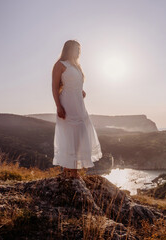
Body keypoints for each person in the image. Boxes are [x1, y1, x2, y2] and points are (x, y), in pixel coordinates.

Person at [51, 39, 103, 179]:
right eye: (77, 49)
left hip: (78, 104)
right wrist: (58, 106)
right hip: (67, 103)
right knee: (69, 135)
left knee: (80, 134)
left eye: (80, 49)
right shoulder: (60, 65)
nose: (79, 52)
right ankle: (70, 172)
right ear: (69, 49)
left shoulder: (76, 66)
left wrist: (81, 91)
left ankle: (71, 170)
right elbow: (55, 87)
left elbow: (75, 83)